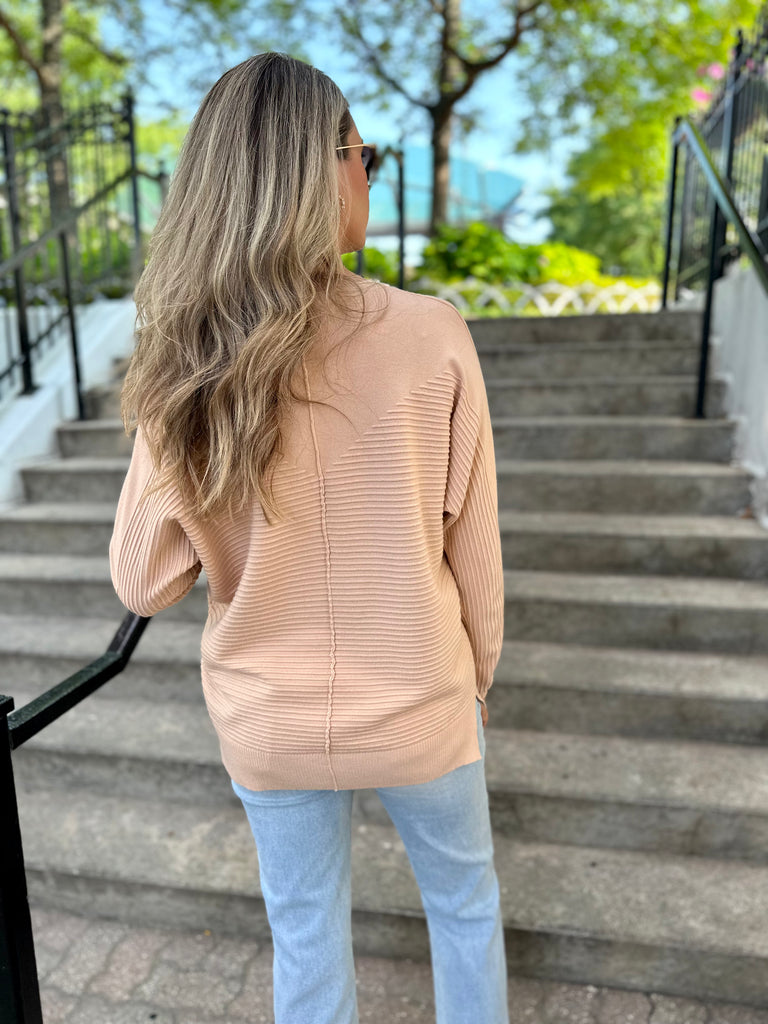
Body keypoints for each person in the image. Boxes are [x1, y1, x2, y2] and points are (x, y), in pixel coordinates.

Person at [109, 52, 507, 1024]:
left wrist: (170, 423)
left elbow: (144, 579)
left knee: (304, 934)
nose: (367, 174)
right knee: (464, 907)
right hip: (422, 701)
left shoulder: (186, 361)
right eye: (363, 155)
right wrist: (475, 684)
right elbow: (476, 554)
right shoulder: (431, 332)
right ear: (321, 170)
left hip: (268, 719)